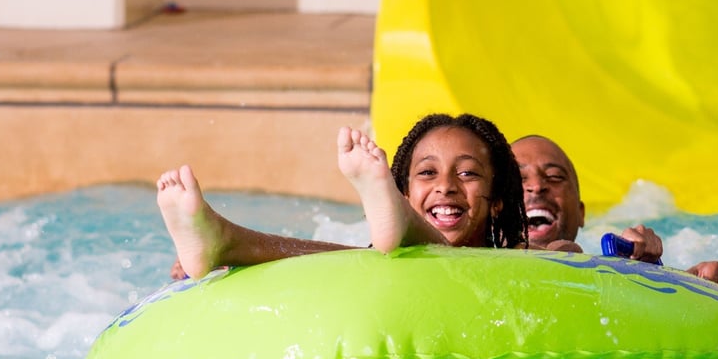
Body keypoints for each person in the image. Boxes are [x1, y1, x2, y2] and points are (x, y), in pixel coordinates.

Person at [158, 113, 524, 280]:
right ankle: (224, 240)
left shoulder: (522, 265)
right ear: (406, 195)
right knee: (360, 260)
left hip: (473, 272)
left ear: (497, 200)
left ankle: (229, 241)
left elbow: (564, 257)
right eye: (427, 173)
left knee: (373, 258)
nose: (446, 186)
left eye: (467, 173)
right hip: (385, 272)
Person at [512, 134, 718, 295]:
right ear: (495, 205)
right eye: (519, 179)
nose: (537, 186)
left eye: (554, 177)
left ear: (581, 213)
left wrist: (685, 285)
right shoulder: (476, 262)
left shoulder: (610, 274)